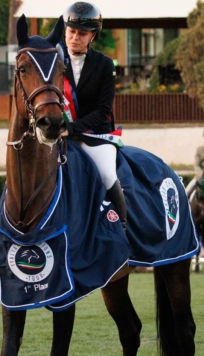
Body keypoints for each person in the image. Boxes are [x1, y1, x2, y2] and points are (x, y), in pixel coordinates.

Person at [60, 1, 127, 230]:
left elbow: (103, 111)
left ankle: (123, 226)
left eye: (82, 33)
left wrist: (73, 128)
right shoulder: (53, 60)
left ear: (92, 36)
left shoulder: (105, 65)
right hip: (60, 135)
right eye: (71, 31)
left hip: (96, 135)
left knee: (108, 174)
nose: (75, 37)